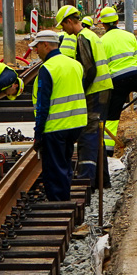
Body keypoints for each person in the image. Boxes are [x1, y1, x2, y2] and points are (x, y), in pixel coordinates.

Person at [29, 29, 87, 201]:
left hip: (55, 127)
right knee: (65, 162)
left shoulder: (48, 68)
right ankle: (65, 195)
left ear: (45, 45)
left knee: (54, 168)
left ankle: (59, 202)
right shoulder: (75, 64)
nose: (35, 50)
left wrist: (38, 133)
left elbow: (42, 105)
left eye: (37, 46)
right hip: (76, 124)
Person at [54, 5, 110, 179]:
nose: (63, 30)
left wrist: (81, 90)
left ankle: (87, 176)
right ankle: (103, 177)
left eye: (63, 25)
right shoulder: (90, 35)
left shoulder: (82, 38)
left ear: (70, 21)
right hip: (103, 89)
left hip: (96, 91)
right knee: (97, 132)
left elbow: (90, 69)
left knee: (88, 133)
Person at [96, 5, 137, 156]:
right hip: (134, 75)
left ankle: (108, 152)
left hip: (116, 81)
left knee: (112, 117)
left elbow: (102, 68)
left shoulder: (101, 41)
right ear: (117, 20)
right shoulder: (129, 36)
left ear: (103, 24)